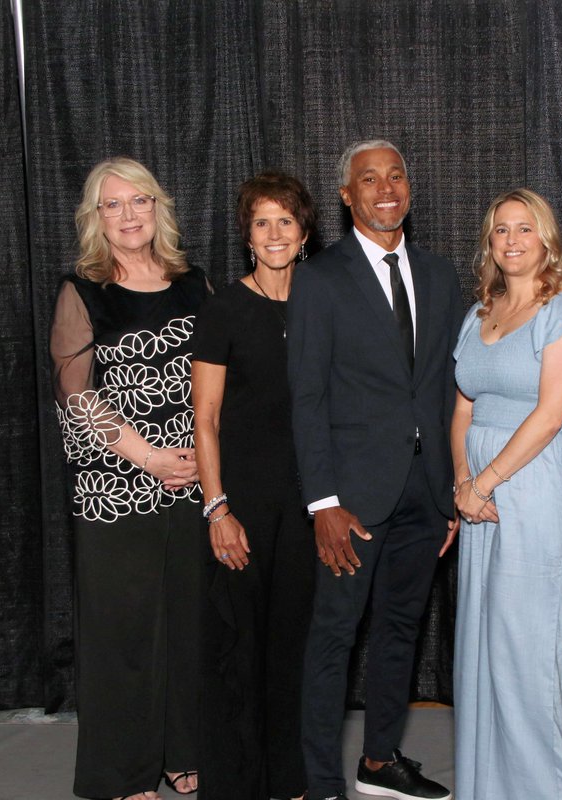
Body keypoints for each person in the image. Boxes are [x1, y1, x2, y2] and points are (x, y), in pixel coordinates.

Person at [286, 139, 462, 800]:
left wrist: (451, 491)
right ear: (347, 195)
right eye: (369, 179)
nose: (386, 189)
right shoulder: (320, 278)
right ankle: (321, 782)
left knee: (401, 629)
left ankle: (381, 761)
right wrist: (322, 502)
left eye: (396, 176)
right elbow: (307, 398)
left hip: (426, 492)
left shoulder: (441, 275)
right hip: (352, 500)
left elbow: (446, 390)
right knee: (335, 635)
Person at [50, 157, 206, 800]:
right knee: (123, 630)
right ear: (96, 218)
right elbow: (75, 393)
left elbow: (220, 375)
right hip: (116, 484)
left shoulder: (195, 282)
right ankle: (124, 770)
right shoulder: (83, 289)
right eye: (112, 204)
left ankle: (184, 750)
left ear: (157, 207)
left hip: (195, 479)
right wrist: (149, 457)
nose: (128, 214)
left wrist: (204, 456)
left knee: (190, 619)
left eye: (138, 200)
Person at [451, 188, 562, 800]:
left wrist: (484, 481)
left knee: (526, 646)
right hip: (477, 489)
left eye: (525, 228)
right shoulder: (479, 313)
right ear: (489, 243)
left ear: (547, 240)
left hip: (535, 482)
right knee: (484, 643)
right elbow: (462, 409)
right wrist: (462, 482)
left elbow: (549, 417)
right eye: (501, 230)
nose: (512, 240)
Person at [191, 171, 318, 800]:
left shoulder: (322, 304)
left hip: (307, 504)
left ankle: (288, 779)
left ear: (304, 233)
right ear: (247, 235)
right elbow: (205, 418)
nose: (273, 233)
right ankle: (234, 785)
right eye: (261, 222)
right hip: (241, 501)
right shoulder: (224, 309)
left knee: (292, 643)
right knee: (238, 646)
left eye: (285, 221)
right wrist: (217, 508)